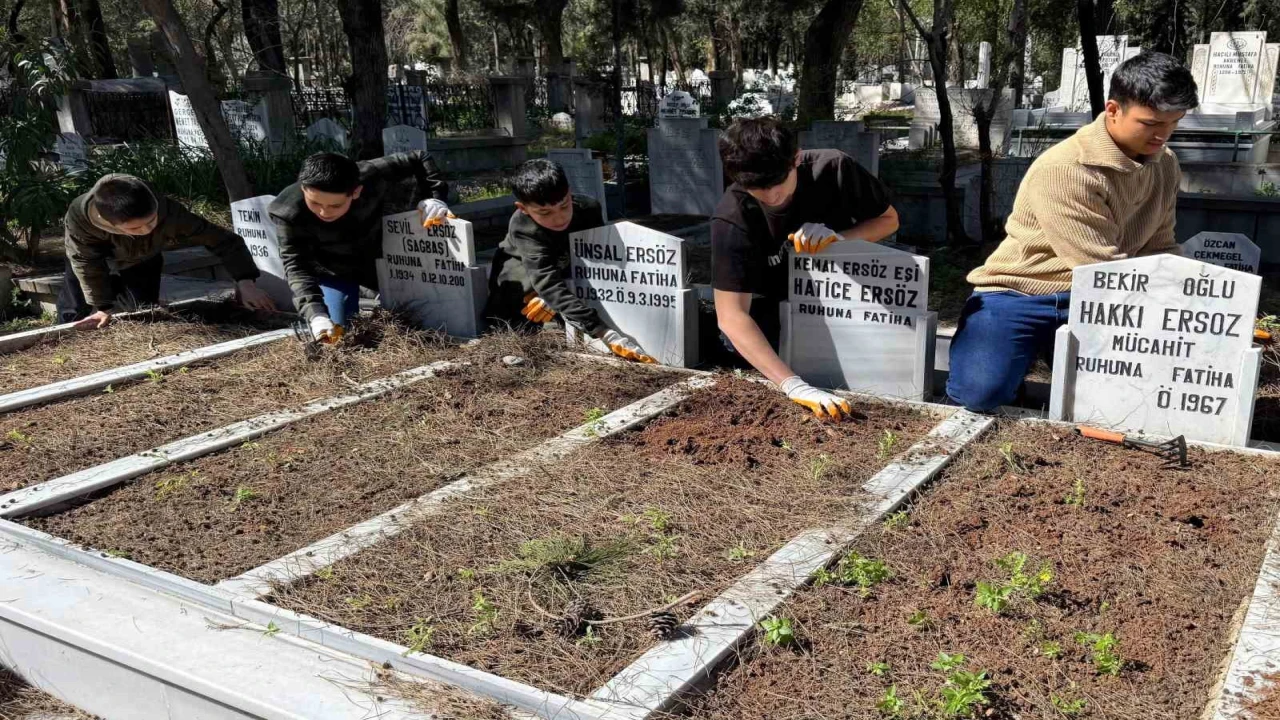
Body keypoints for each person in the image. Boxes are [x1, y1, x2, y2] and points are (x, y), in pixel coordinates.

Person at [946, 51, 1196, 412]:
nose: (1163, 134)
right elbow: (1097, 265)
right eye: (1150, 123)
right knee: (980, 395)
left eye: (1174, 122)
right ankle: (1010, 359)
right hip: (1024, 293)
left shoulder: (1165, 163)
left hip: (1104, 296)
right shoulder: (1067, 168)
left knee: (1131, 402)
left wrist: (1196, 301)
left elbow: (1161, 246)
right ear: (1113, 110)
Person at [711, 117, 900, 418]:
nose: (771, 197)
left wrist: (839, 239)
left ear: (796, 158)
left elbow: (889, 220)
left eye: (777, 183)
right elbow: (731, 315)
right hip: (774, 309)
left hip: (841, 299)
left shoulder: (834, 168)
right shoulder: (733, 216)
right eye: (757, 189)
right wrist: (793, 385)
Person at [486, 159, 656, 363]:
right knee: (528, 311)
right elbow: (545, 280)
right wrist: (603, 332)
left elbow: (595, 257)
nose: (559, 218)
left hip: (565, 264)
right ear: (523, 208)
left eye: (564, 205)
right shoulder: (522, 226)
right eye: (545, 213)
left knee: (559, 301)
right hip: (522, 272)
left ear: (569, 192)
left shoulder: (588, 208)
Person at [269, 150, 450, 342]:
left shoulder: (369, 173)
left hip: (378, 253)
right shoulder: (287, 211)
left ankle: (372, 290)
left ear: (356, 192)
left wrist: (435, 196)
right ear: (304, 188)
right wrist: (316, 315)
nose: (323, 212)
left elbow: (419, 157)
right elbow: (296, 266)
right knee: (338, 332)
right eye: (314, 203)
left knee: (421, 315)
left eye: (335, 206)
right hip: (334, 269)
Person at [59, 174, 276, 329]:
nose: (147, 229)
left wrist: (245, 281)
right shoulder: (80, 218)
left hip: (142, 258)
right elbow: (85, 261)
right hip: (91, 260)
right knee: (76, 314)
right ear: (109, 223)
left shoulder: (170, 213)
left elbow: (223, 241)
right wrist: (102, 307)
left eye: (151, 220)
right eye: (135, 228)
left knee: (142, 316)